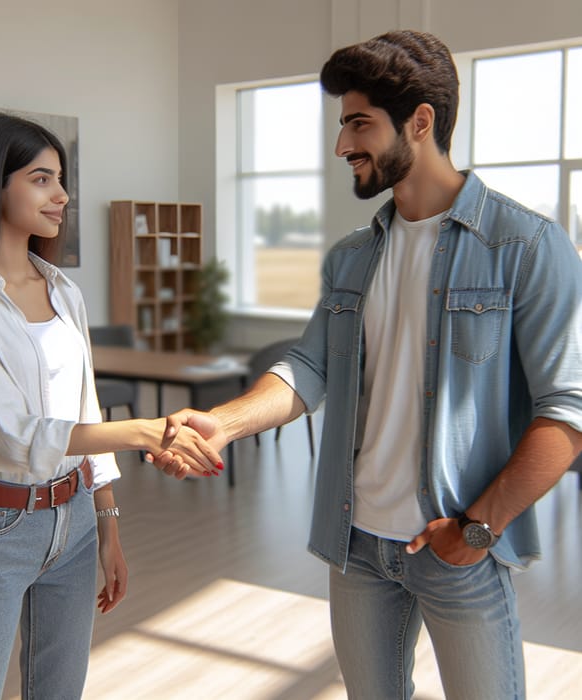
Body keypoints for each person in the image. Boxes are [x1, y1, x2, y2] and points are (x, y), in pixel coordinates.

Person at [154, 31, 582, 699]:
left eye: (359, 123)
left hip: (456, 546)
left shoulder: (526, 246)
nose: (341, 146)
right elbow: (309, 366)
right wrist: (224, 422)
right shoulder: (354, 255)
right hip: (356, 546)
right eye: (342, 124)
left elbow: (568, 409)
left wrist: (477, 528)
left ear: (420, 121)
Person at [0, 112, 223, 700]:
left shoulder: (63, 289)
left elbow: (87, 408)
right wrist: (148, 432)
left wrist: (108, 525)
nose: (63, 195)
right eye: (41, 179)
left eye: (60, 179)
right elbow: (18, 435)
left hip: (74, 520)